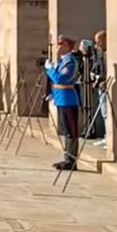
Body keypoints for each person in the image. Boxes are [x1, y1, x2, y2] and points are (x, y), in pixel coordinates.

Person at [45, 36, 81, 171]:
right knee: (66, 131)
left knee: (71, 131)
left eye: (61, 45)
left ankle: (71, 160)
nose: (58, 47)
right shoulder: (63, 61)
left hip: (68, 99)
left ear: (67, 46)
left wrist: (50, 69)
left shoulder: (70, 61)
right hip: (61, 98)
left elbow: (61, 79)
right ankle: (67, 158)